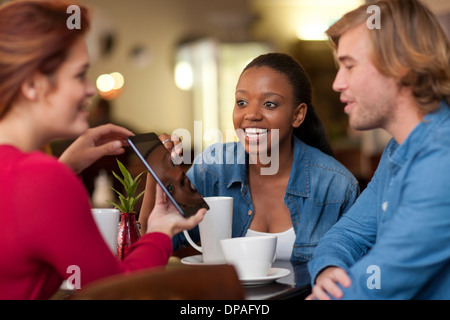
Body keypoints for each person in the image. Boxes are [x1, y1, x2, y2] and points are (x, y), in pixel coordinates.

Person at [0, 0, 204, 300]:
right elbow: (116, 294)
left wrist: (65, 167)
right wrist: (159, 232)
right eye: (79, 75)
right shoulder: (42, 180)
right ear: (33, 84)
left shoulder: (29, 176)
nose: (91, 89)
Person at [140, 53, 359, 262]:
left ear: (297, 115)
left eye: (269, 104)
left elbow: (354, 270)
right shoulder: (213, 168)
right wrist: (157, 171)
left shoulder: (336, 185)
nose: (251, 115)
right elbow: (152, 244)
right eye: (242, 102)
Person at [306, 0, 450, 300]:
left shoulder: (442, 158)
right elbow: (346, 234)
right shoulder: (398, 148)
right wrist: (329, 269)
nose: (336, 83)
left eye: (349, 66)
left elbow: (379, 285)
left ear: (400, 65)